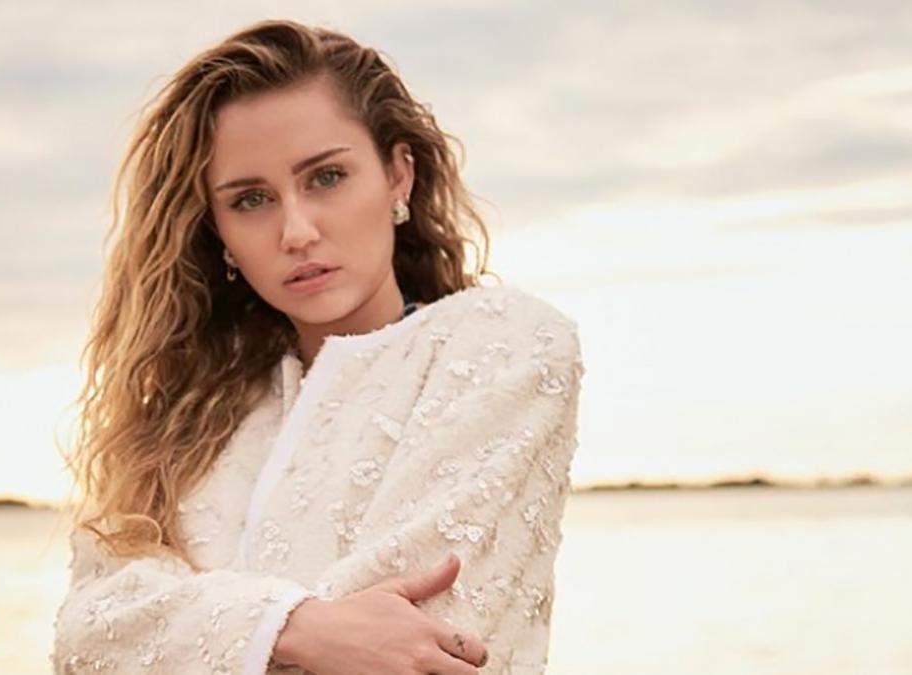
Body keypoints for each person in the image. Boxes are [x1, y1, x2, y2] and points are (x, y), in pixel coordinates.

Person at [50, 18, 585, 675]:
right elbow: (86, 635)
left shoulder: (504, 344)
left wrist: (201, 631)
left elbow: (429, 640)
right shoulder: (187, 416)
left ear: (398, 175)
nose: (296, 231)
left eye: (326, 177)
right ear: (217, 232)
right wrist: (297, 627)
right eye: (251, 199)